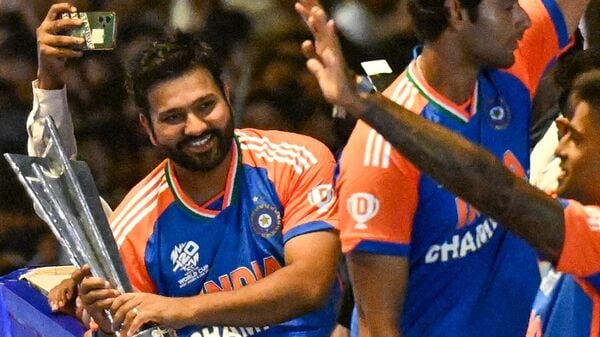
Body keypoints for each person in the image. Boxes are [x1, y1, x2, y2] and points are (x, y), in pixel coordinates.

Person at [29, 3, 340, 337]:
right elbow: (126, 323)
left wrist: (180, 309)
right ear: (147, 128)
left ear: (228, 96)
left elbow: (309, 284)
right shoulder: (135, 226)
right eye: (173, 117)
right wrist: (105, 322)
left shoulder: (298, 160)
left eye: (206, 106)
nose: (195, 127)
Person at [298, 7, 600, 336]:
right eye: (508, 6)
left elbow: (497, 189)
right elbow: (377, 328)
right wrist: (367, 104)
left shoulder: (510, 63)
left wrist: (367, 103)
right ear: (456, 11)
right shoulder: (378, 153)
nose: (524, 18)